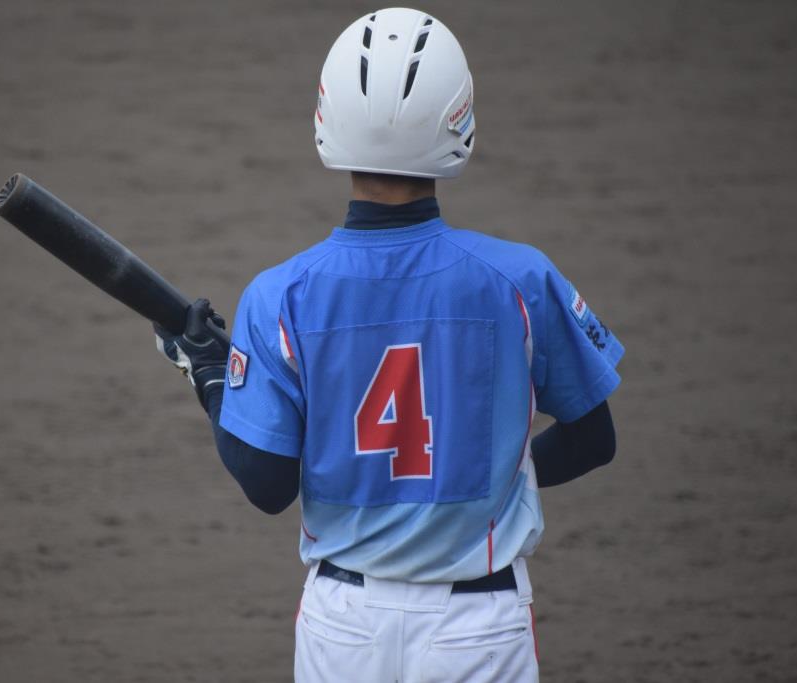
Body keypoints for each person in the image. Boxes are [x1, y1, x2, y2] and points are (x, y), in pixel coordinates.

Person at [154, 8, 624, 682]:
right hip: (479, 629)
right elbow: (593, 438)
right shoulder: (520, 279)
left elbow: (266, 483)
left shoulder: (281, 294)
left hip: (343, 627)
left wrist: (207, 376)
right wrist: (492, 480)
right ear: (458, 118)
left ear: (327, 116)